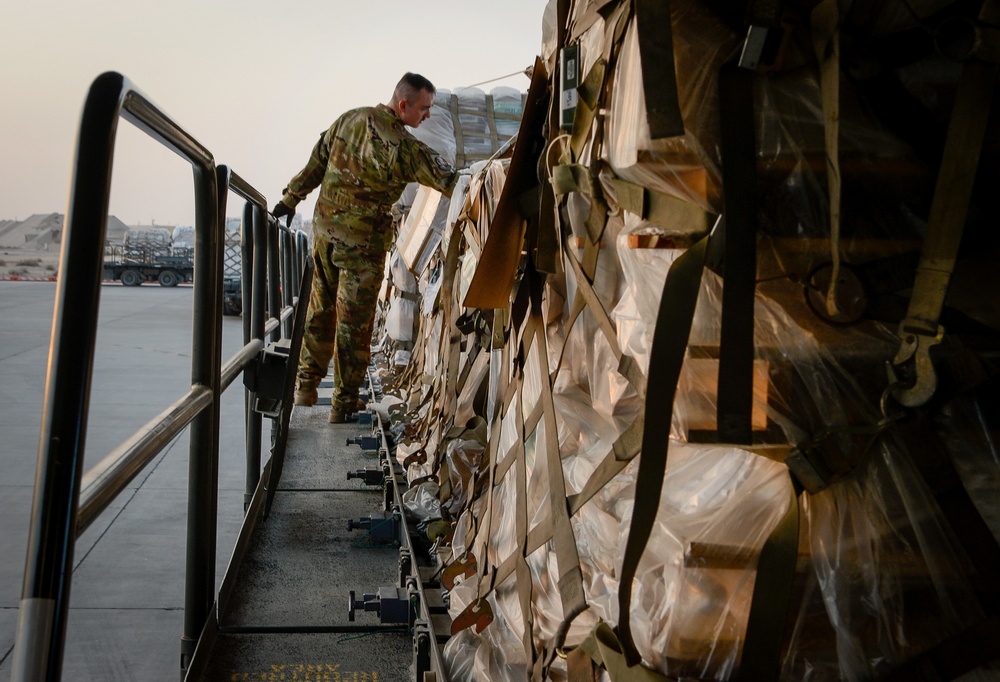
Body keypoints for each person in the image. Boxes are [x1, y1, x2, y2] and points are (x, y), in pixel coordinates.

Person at [273, 72, 459, 423]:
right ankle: (342, 405)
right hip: (363, 247)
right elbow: (448, 180)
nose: (428, 116)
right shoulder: (403, 146)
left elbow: (316, 164)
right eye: (424, 108)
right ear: (403, 105)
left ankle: (306, 387)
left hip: (325, 235)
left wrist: (290, 198)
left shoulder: (349, 119)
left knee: (320, 310)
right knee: (353, 324)